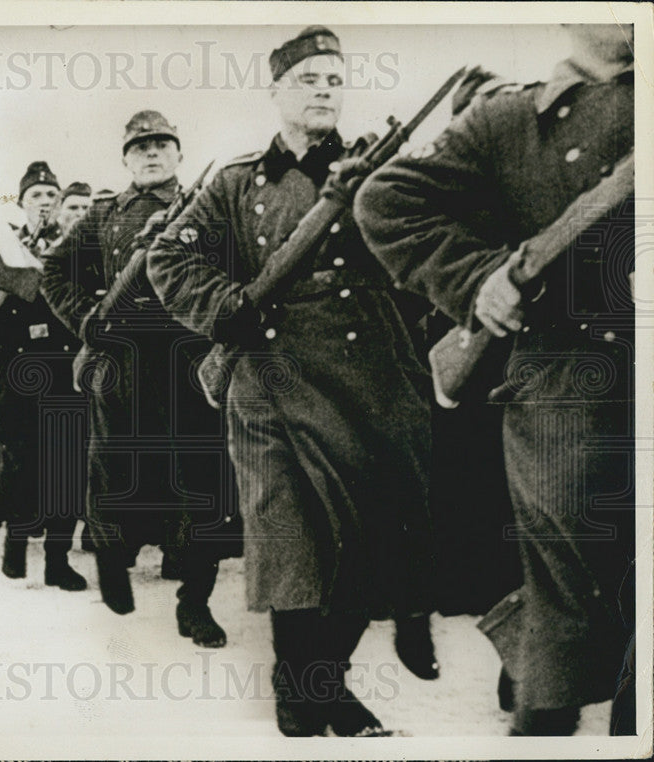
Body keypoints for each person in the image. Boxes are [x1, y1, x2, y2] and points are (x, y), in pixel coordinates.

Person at [145, 29, 434, 735]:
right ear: (275, 92)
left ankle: (320, 679)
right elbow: (168, 259)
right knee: (288, 536)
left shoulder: (381, 170)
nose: (325, 89)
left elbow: (427, 250)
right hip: (269, 379)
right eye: (308, 78)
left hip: (366, 381)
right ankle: (305, 690)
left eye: (336, 78)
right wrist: (226, 306)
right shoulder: (238, 182)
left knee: (369, 537)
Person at [354, 24, 635, 736]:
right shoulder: (510, 118)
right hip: (562, 370)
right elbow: (385, 203)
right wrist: (480, 281)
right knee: (565, 575)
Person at [43, 111, 240, 649]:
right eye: (140, 147)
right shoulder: (105, 215)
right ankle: (111, 559)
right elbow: (54, 273)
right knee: (112, 477)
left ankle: (194, 603)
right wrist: (86, 319)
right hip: (123, 364)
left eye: (162, 145)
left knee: (201, 485)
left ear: (179, 153)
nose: (151, 153)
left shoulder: (211, 206)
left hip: (188, 361)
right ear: (125, 159)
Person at [0, 161, 88, 591]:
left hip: (64, 365)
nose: (45, 203)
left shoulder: (78, 245)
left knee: (66, 463)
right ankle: (16, 539)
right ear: (22, 203)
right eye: (36, 196)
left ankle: (57, 559)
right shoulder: (2, 245)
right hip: (13, 366)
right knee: (16, 457)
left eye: (52, 196)